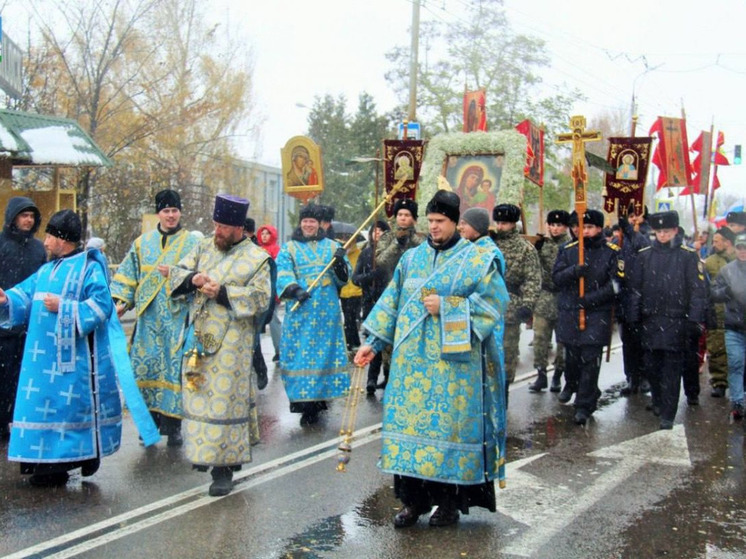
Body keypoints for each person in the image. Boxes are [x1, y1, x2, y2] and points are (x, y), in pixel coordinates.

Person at [355, 190, 509, 528]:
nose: (434, 227)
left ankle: (448, 505)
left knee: (447, 437)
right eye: (431, 222)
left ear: (456, 222)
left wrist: (449, 308)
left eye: (441, 222)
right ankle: (413, 502)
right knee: (408, 432)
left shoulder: (477, 259)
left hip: (453, 366)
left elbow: (494, 305)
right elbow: (392, 303)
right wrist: (373, 342)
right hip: (411, 366)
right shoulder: (411, 259)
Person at [0, 210, 123, 486]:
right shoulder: (46, 269)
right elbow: (25, 295)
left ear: (61, 239)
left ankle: (62, 465)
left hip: (71, 361)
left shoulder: (88, 268)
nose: (44, 241)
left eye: (50, 236)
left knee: (65, 413)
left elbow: (103, 306)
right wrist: (6, 299)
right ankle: (40, 464)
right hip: (39, 362)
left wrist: (65, 307)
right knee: (40, 408)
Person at [167, 194, 272, 496]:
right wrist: (193, 279)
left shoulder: (257, 258)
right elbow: (178, 272)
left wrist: (223, 293)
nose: (218, 232)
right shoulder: (203, 247)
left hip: (233, 343)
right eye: (215, 225)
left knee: (225, 403)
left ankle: (223, 469)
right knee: (198, 395)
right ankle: (205, 454)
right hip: (200, 336)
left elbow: (261, 298)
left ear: (238, 228)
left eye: (223, 227)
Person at [111, 189, 199, 447]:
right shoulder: (142, 243)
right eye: (165, 211)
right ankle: (147, 425)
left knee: (172, 371)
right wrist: (121, 303)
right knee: (145, 369)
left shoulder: (192, 244)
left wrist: (175, 275)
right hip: (148, 321)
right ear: (158, 213)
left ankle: (173, 427)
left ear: (180, 212)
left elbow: (201, 276)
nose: (170, 215)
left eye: (174, 210)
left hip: (176, 317)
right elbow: (128, 276)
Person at [626, 210, 707, 430]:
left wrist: (694, 319)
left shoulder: (687, 256)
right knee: (652, 367)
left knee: (672, 369)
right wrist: (633, 317)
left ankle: (668, 414)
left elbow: (697, 291)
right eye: (658, 231)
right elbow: (635, 289)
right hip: (650, 320)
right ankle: (659, 401)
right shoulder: (644, 256)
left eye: (666, 231)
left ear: (674, 231)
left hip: (676, 320)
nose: (662, 235)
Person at [276, 204, 351, 426]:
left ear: (320, 224)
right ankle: (303, 402)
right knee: (300, 355)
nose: (309, 224)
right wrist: (294, 288)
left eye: (313, 221)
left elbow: (344, 280)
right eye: (305, 220)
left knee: (323, 356)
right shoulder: (289, 248)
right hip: (301, 311)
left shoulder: (333, 247)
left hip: (326, 313)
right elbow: (282, 271)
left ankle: (318, 400)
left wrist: (339, 264)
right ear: (301, 223)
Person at [553, 209, 622, 424]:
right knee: (572, 359)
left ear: (599, 228)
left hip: (596, 313)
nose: (585, 232)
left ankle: (584, 405)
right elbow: (556, 278)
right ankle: (571, 383)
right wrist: (574, 271)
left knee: (590, 361)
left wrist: (590, 299)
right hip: (571, 312)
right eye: (582, 227)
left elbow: (616, 285)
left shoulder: (612, 252)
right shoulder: (568, 250)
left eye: (590, 227)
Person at [0, 197, 46, 439]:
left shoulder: (38, 248)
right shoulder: (1, 244)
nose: (28, 220)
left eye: (31, 216)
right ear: (13, 217)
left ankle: (18, 421)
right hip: (2, 326)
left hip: (30, 326)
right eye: (23, 215)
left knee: (24, 378)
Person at [375, 198, 425, 389]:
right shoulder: (387, 237)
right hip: (390, 293)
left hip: (414, 296)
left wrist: (410, 240)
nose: (403, 219)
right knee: (388, 337)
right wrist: (397, 243)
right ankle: (388, 375)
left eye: (407, 215)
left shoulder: (421, 239)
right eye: (400, 215)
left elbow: (424, 261)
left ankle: (410, 376)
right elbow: (381, 261)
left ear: (414, 219)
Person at [491, 203, 541, 392]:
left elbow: (532, 279)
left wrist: (527, 305)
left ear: (514, 224)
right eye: (498, 222)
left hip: (509, 309)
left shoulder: (525, 249)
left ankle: (503, 393)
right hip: (485, 307)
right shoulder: (488, 244)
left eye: (505, 223)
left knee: (506, 356)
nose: (500, 226)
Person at [528, 210, 571, 393]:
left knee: (563, 342)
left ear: (566, 227)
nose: (555, 228)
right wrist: (535, 249)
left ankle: (557, 376)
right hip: (544, 298)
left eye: (559, 225)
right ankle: (541, 374)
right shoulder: (542, 245)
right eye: (552, 225)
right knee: (540, 339)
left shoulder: (571, 245)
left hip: (563, 298)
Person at [617, 205, 652, 396]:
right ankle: (631, 377)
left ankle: (645, 376)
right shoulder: (620, 239)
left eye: (636, 215)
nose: (633, 219)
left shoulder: (648, 236)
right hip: (625, 297)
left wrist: (630, 230)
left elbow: (644, 248)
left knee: (643, 341)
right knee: (628, 343)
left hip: (643, 297)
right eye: (630, 216)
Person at [352, 220, 390, 394]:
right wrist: (370, 276)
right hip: (369, 303)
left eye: (382, 231)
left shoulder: (391, 254)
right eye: (375, 231)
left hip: (388, 303)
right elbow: (356, 278)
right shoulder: (366, 253)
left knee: (388, 342)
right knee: (372, 340)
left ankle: (389, 377)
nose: (378, 234)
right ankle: (371, 380)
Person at [711, 233, 746, 420]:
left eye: (745, 248)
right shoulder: (727, 270)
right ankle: (737, 402)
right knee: (735, 362)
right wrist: (726, 292)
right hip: (733, 326)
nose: (743, 252)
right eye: (740, 248)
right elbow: (714, 292)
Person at [704, 227, 736, 398]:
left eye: (717, 241)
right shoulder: (709, 262)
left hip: (737, 313)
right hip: (716, 312)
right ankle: (719, 382)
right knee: (716, 348)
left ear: (727, 242)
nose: (714, 244)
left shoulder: (739, 259)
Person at [257, 224, 282, 362]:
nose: (264, 236)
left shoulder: (277, 251)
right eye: (262, 233)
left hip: (271, 290)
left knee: (273, 321)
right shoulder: (256, 250)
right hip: (259, 289)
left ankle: (279, 349)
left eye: (267, 233)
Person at [338, 233, 363, 352]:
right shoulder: (340, 254)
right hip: (343, 292)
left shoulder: (359, 253)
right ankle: (352, 342)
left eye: (348, 239)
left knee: (350, 318)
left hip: (356, 291)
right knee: (348, 317)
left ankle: (351, 342)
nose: (345, 242)